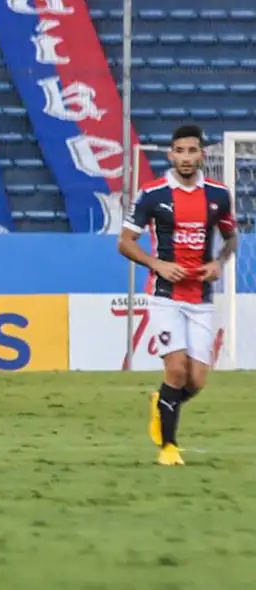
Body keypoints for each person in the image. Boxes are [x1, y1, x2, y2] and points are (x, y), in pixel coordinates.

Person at [119, 124, 238, 466]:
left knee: (196, 380)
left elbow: (231, 238)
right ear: (170, 155)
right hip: (165, 296)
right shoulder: (152, 194)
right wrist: (156, 263)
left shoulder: (218, 195)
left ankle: (162, 402)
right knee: (176, 370)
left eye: (192, 151)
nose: (186, 157)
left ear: (202, 154)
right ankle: (168, 448)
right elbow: (125, 242)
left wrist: (218, 263)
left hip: (200, 298)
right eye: (180, 151)